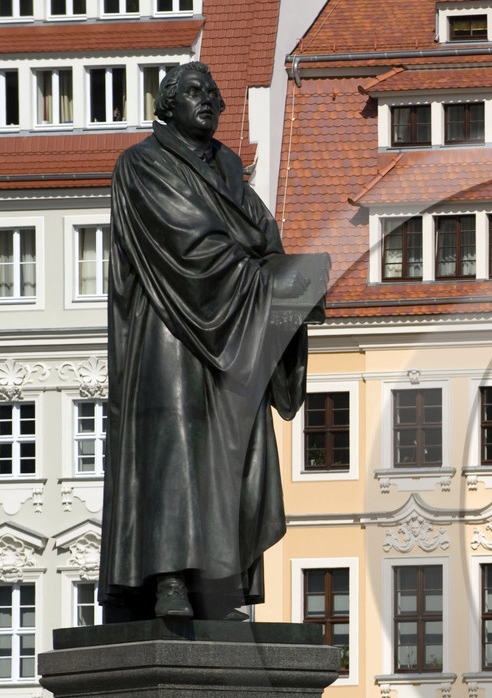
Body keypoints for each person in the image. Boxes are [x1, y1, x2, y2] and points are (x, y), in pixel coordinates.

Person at [100, 61, 329, 621]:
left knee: (231, 455)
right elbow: (190, 249)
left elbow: (263, 237)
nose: (210, 101)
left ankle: (218, 583)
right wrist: (275, 286)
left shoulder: (229, 168)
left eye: (215, 93)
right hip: (170, 334)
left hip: (233, 338)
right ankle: (169, 579)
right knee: (174, 451)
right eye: (195, 92)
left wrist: (291, 281)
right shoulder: (141, 165)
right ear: (168, 104)